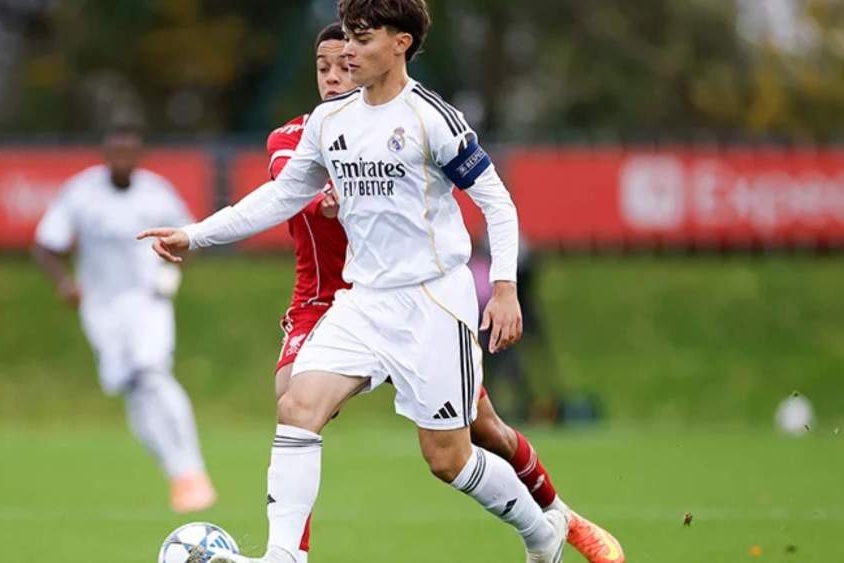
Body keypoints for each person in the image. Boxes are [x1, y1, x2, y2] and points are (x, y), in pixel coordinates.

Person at [140, 1, 624, 561]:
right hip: (364, 301)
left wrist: (508, 288)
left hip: (433, 304)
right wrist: (195, 235)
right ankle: (284, 557)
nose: (349, 51)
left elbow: (497, 201)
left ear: (400, 44)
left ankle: (542, 533)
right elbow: (279, 196)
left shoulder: (432, 119)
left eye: (362, 39)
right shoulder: (329, 124)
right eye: (346, 37)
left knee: (449, 458)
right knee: (298, 406)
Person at [33, 117, 216, 513]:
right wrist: (65, 283)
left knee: (152, 372)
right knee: (131, 389)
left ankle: (194, 470)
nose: (121, 159)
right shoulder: (82, 193)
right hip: (100, 308)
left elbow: (192, 239)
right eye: (114, 152)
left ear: (138, 156)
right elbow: (46, 244)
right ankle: (178, 474)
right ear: (106, 155)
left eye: (128, 153)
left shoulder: (156, 193)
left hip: (147, 301)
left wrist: (170, 272)